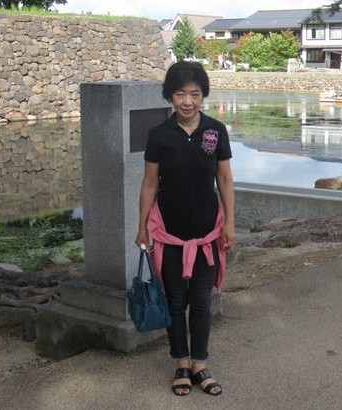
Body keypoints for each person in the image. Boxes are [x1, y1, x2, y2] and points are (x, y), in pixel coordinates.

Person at [135, 61, 235, 397]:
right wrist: (142, 227)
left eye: (194, 93)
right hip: (169, 234)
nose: (187, 101)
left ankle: (199, 363)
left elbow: (225, 179)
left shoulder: (216, 131)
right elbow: (150, 183)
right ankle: (181, 362)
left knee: (201, 302)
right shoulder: (158, 134)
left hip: (208, 234)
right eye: (180, 94)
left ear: (203, 95)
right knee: (175, 301)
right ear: (170, 96)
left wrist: (229, 223)